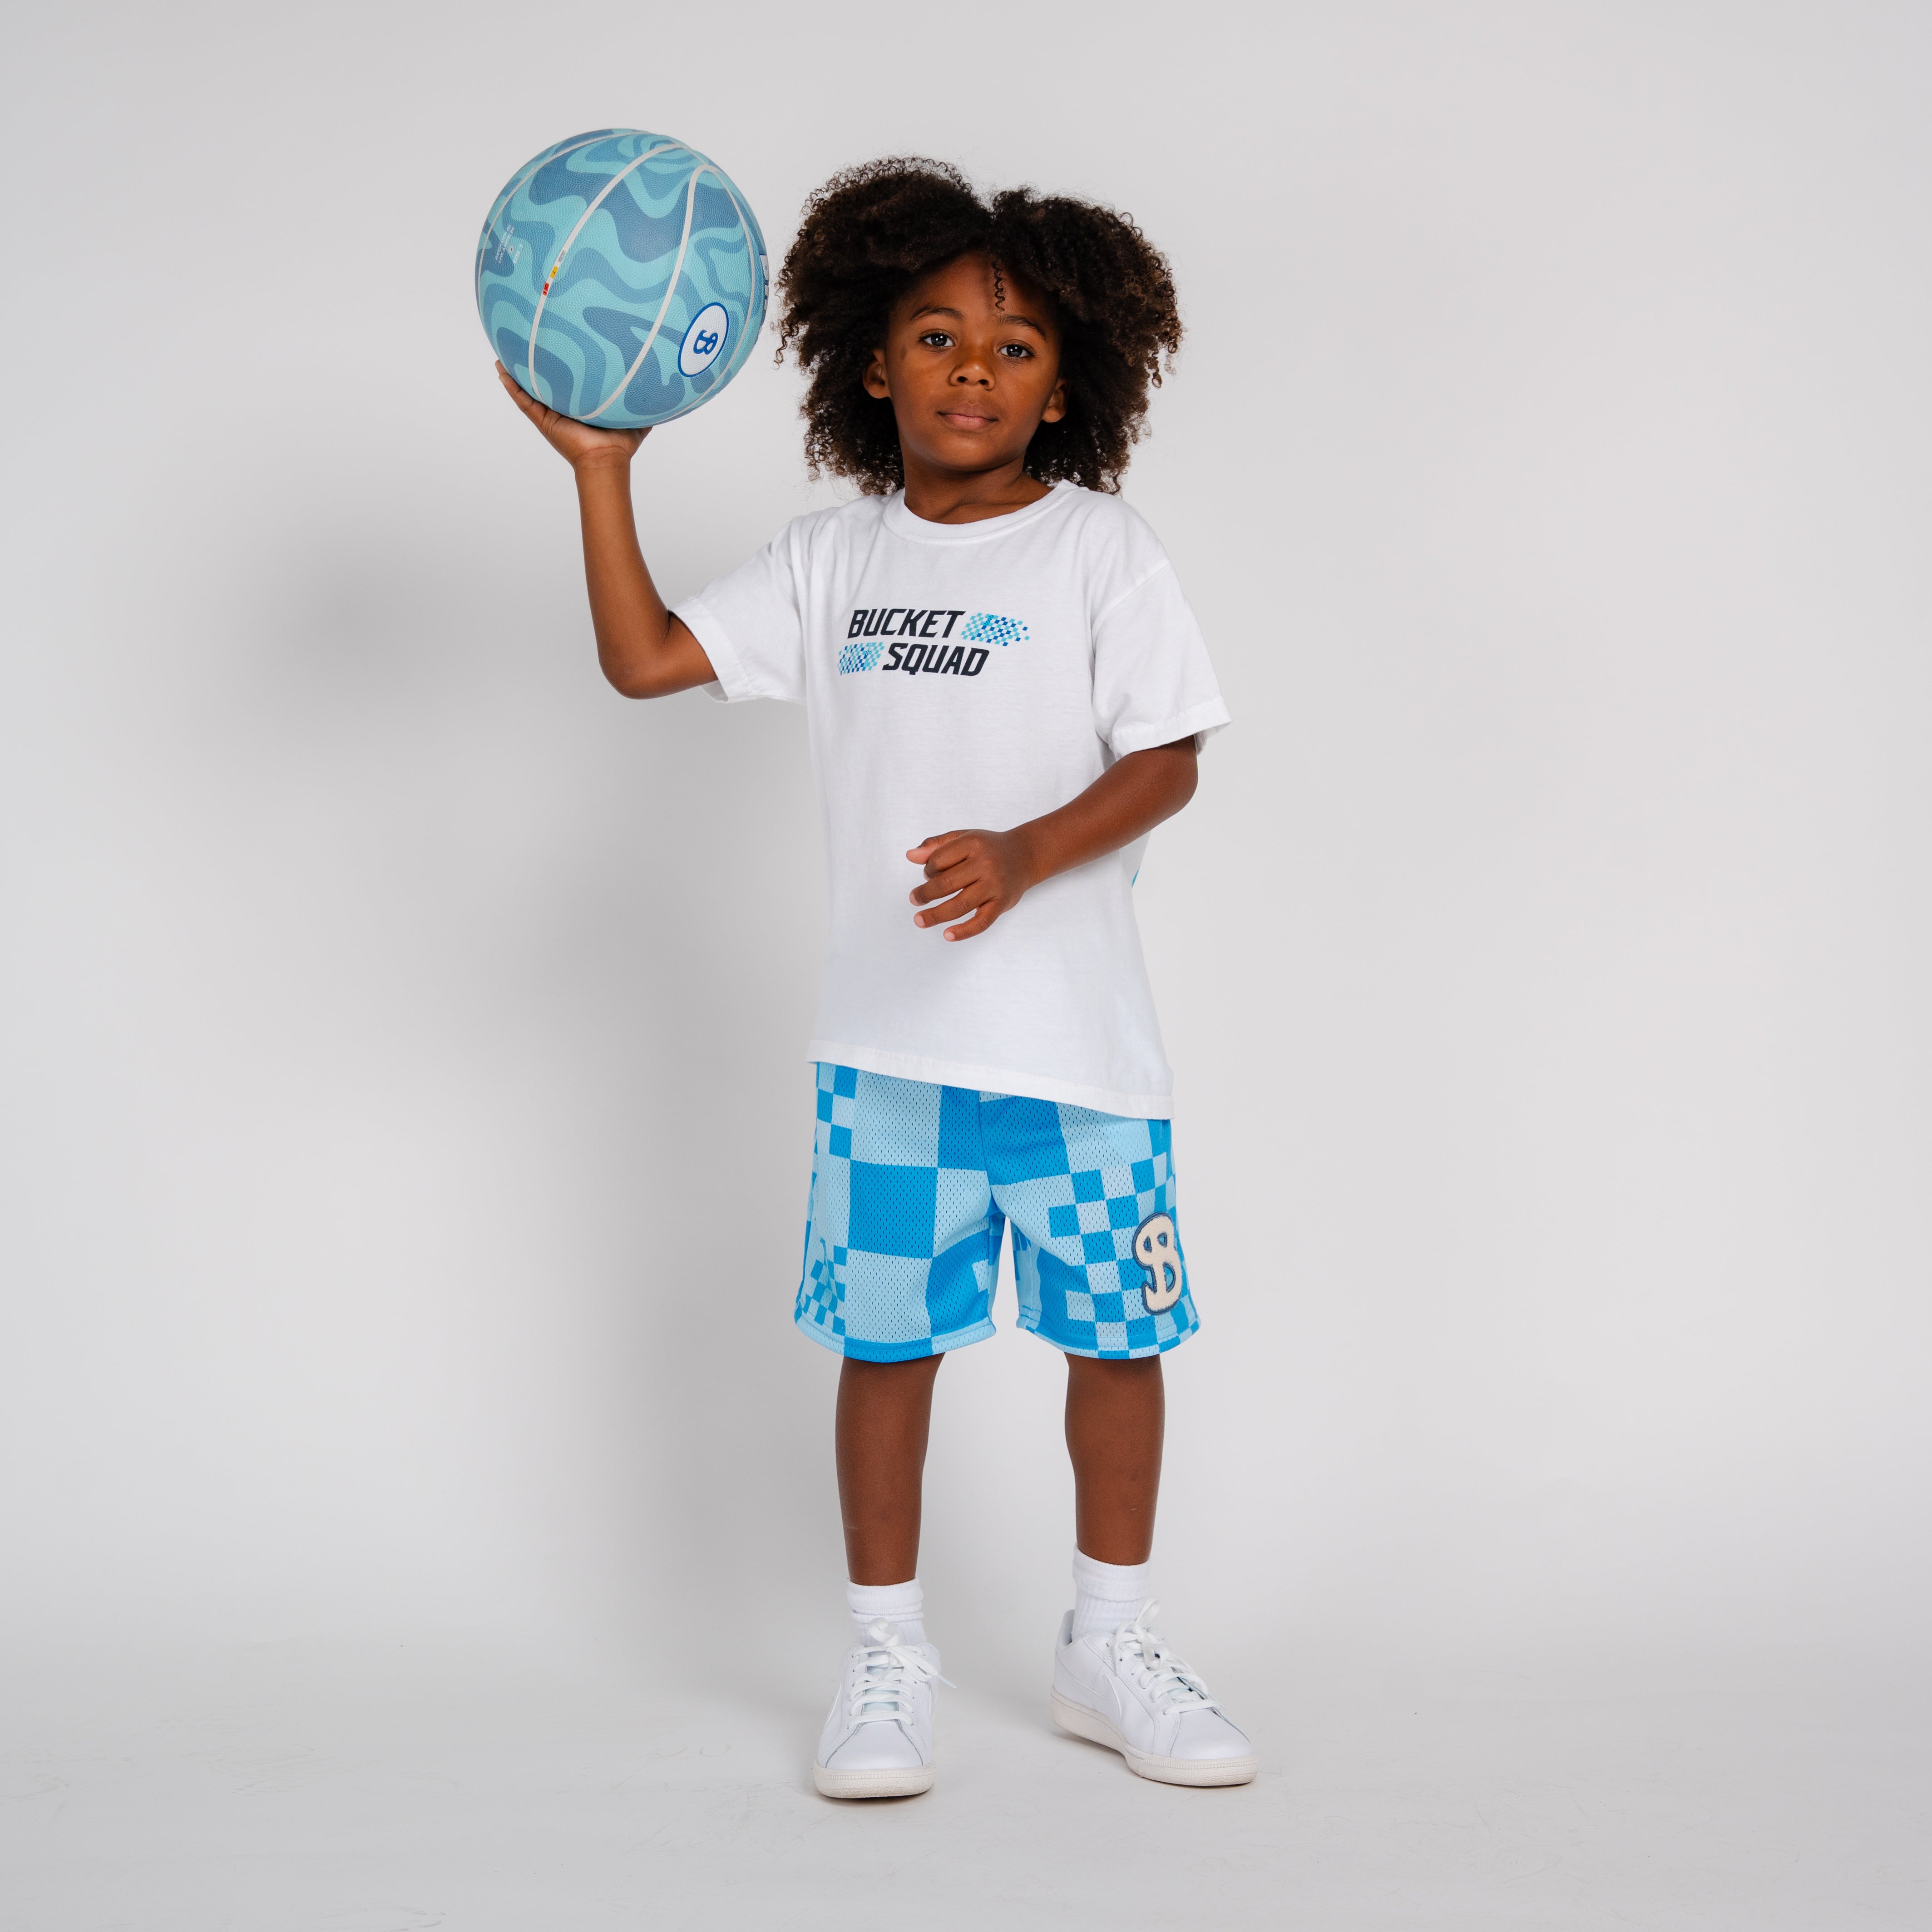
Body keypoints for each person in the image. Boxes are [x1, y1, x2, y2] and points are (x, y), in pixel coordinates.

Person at [498, 157, 1254, 1797]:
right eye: (936, 336)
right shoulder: (831, 561)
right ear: (870, 366)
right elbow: (644, 660)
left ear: (1068, 388)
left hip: (1076, 1058)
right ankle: (888, 1654)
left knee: (1118, 1345)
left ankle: (1108, 1644)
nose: (974, 368)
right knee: (888, 1350)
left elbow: (1171, 759)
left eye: (1016, 347)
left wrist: (1028, 852)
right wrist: (604, 471)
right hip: (890, 1057)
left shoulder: (1100, 551)